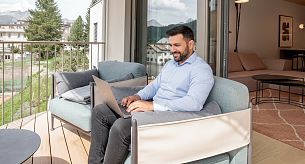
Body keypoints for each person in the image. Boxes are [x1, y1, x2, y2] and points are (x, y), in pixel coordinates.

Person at [88, 25, 214, 164]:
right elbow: (154, 86)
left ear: (191, 44)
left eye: (177, 45)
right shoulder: (170, 65)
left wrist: (152, 106)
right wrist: (138, 96)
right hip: (152, 110)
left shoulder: (201, 69)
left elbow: (194, 102)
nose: (172, 50)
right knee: (99, 111)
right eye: (171, 45)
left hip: (167, 116)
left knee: (120, 127)